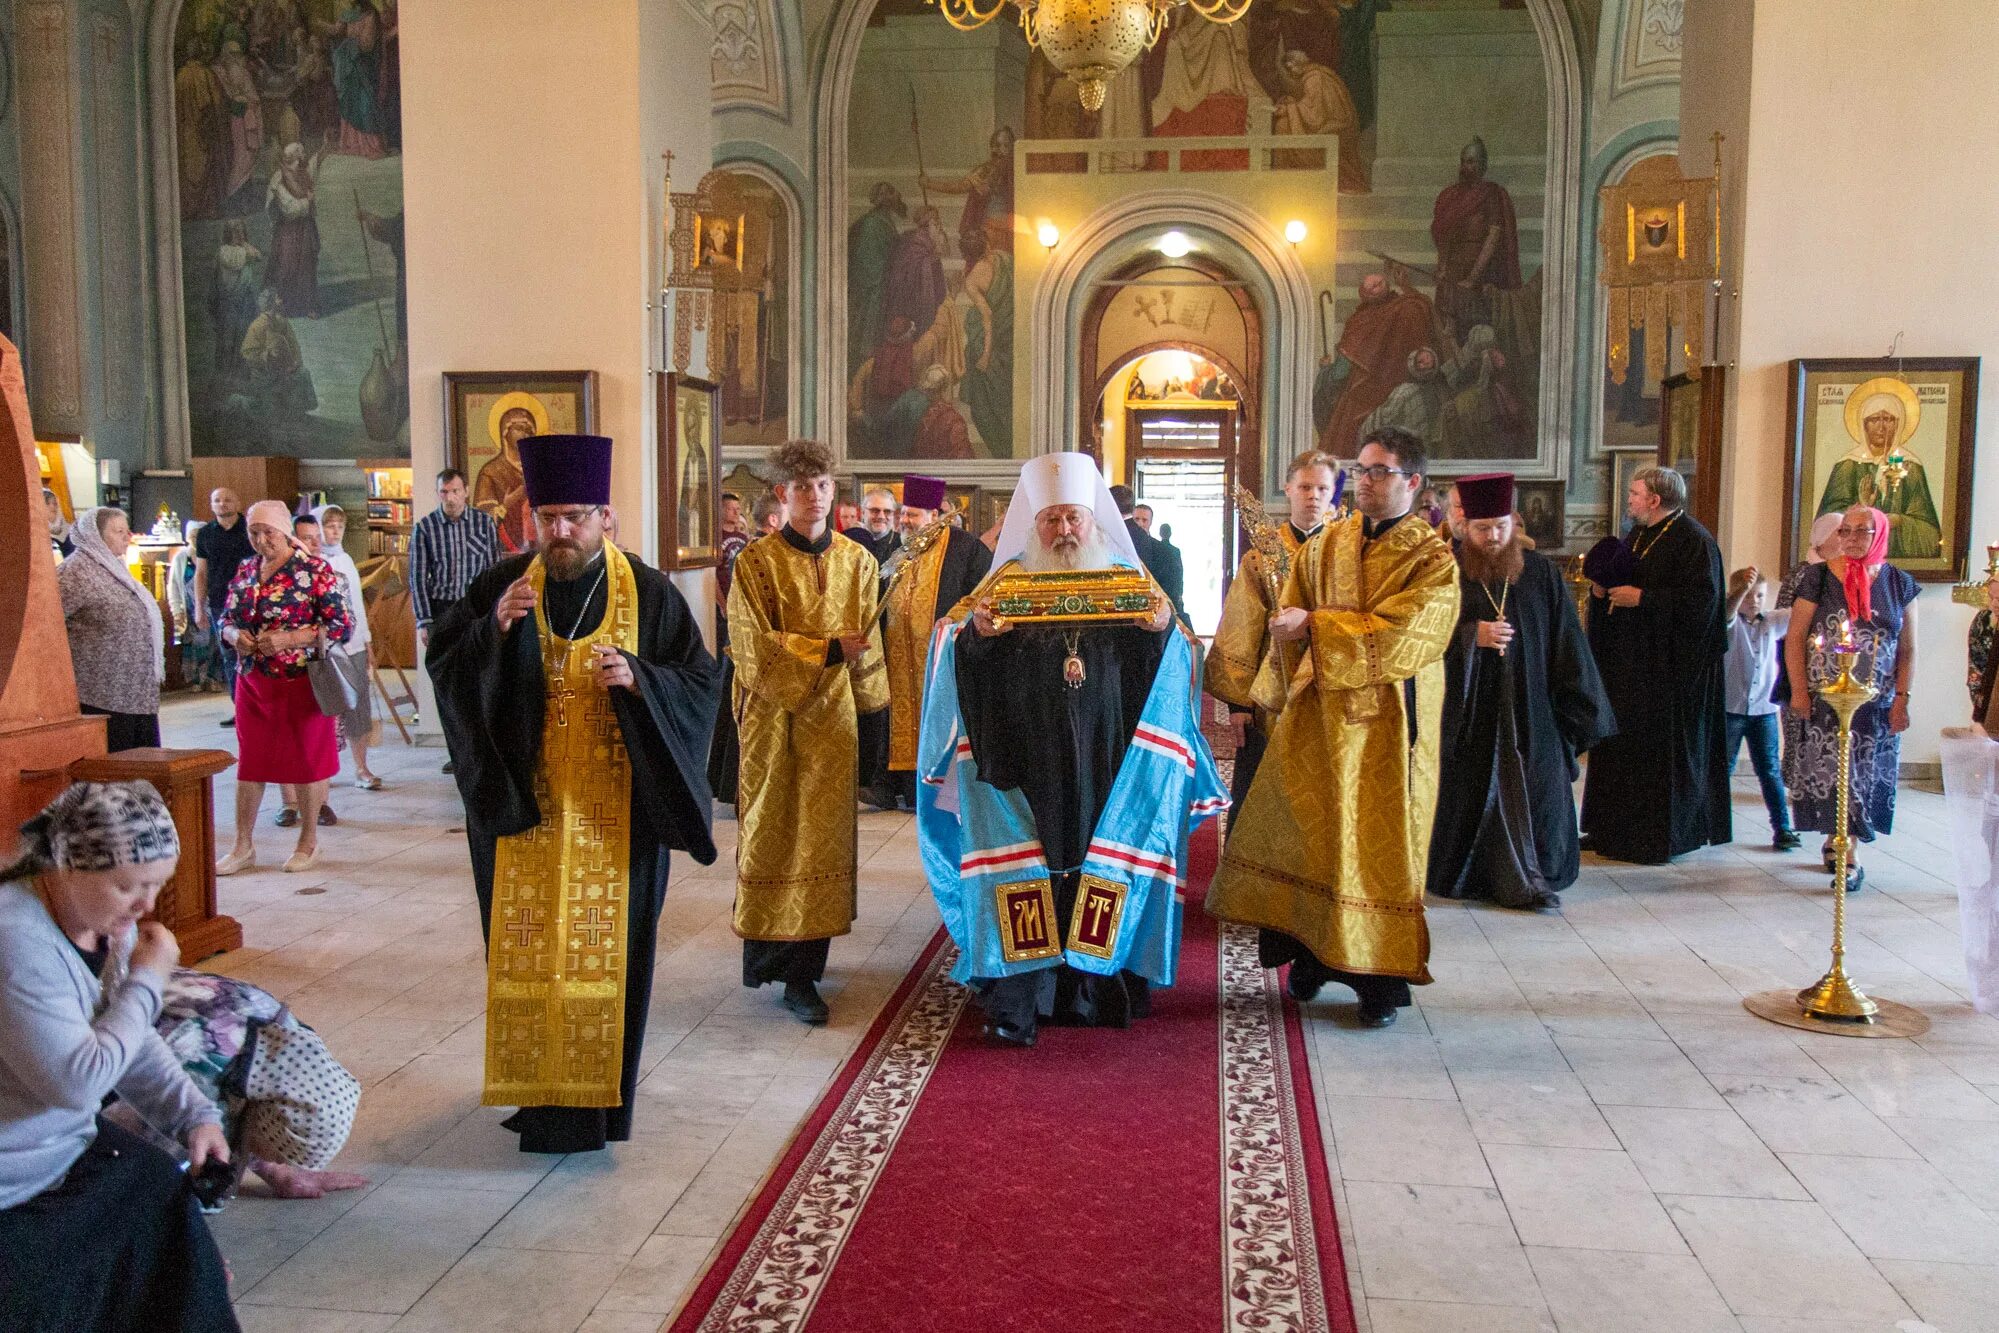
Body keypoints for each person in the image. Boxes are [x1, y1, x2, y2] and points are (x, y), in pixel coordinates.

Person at [427, 434, 719, 1153]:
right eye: (548, 516)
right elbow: (445, 663)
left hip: (616, 814)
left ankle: (596, 1108)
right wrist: (493, 632)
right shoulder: (501, 586)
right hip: (523, 811)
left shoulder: (647, 592)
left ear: (605, 518)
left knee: (607, 957)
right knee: (525, 951)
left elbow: (703, 682)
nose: (561, 531)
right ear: (530, 518)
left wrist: (641, 680)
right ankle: (535, 1095)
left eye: (576, 517)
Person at [920, 452, 1222, 1047]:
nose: (1062, 531)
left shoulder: (1131, 583)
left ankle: (1094, 987)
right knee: (1027, 865)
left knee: (1094, 858)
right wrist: (977, 637)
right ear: (1034, 525)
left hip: (1106, 754)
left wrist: (1162, 629)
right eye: (1051, 519)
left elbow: (1170, 662)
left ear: (1093, 523)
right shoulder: (1004, 586)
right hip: (1022, 754)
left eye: (1073, 519)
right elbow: (963, 662)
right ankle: (1018, 999)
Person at [1207, 427, 1459, 1027]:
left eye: (1379, 472)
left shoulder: (1432, 557)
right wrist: (1261, 691)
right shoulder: (1328, 544)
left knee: (1379, 849)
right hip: (1318, 718)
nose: (1365, 481)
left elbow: (1414, 633)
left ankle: (1377, 984)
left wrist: (1317, 625)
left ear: (1412, 482)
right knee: (1312, 838)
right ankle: (1313, 959)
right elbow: (1286, 612)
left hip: (1390, 730)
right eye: (1362, 469)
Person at [0, 781, 239, 1333]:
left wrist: (193, 1116)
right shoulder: (16, 941)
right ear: (64, 866)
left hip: (58, 1145)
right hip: (14, 1174)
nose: (146, 905)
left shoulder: (106, 925)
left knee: (163, 1198)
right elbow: (80, 1083)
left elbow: (125, 1040)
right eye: (128, 885)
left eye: (157, 886)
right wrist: (150, 981)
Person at [728, 439, 888, 1025]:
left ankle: (805, 970)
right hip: (774, 718)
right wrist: (824, 650)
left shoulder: (859, 563)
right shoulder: (755, 563)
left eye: (824, 486)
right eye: (802, 487)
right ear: (782, 494)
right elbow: (749, 645)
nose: (815, 497)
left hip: (835, 720)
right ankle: (774, 959)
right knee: (776, 829)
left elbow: (869, 646)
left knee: (822, 837)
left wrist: (875, 715)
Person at [1426, 474, 1614, 911]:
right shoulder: (1443, 573)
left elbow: (1567, 641)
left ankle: (1537, 873)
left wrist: (1577, 713)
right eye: (1482, 528)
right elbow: (1422, 639)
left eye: (1500, 526)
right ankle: (1470, 875)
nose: (1492, 537)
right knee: (1470, 795)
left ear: (1514, 523)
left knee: (1537, 792)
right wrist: (1471, 637)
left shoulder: (1541, 573)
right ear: (1463, 527)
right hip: (1469, 714)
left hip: (1533, 711)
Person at [104, 967, 366, 1202]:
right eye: (282, 1155)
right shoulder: (197, 1073)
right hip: (95, 1055)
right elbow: (140, 1172)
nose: (281, 1161)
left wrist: (279, 1172)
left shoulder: (282, 1037)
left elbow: (252, 1112)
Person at [1580, 465, 1732, 865]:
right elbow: (1621, 584)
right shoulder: (1640, 534)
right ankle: (1610, 831)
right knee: (1621, 749)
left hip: (1670, 677)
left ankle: (1656, 838)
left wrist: (1644, 598)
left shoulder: (1694, 541)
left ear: (1654, 500)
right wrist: (1602, 592)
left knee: (1655, 758)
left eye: (1633, 494)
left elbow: (1703, 607)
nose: (1628, 501)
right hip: (1629, 669)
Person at [1781, 505, 1918, 892]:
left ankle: (1849, 851)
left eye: (1863, 531)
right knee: (1832, 775)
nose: (1852, 538)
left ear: (1881, 535)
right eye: (1846, 531)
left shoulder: (1899, 583)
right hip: (1827, 700)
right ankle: (1838, 842)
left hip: (1876, 702)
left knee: (1861, 777)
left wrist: (1902, 699)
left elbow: (1908, 648)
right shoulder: (1818, 577)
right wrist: (1799, 691)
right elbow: (1795, 638)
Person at [216, 501, 353, 877]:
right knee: (251, 762)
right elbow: (225, 617)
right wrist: (233, 635)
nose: (261, 541)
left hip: (302, 681)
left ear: (284, 532)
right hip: (254, 680)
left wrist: (291, 638)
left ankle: (308, 841)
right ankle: (242, 844)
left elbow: (341, 625)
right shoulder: (246, 569)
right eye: (254, 534)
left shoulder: (313, 569)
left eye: (268, 533)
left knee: (308, 761)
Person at [1207, 450, 1338, 812]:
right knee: (1265, 796)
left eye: (1322, 489)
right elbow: (1241, 625)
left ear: (1332, 493)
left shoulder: (1345, 555)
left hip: (1329, 687)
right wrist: (1238, 704)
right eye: (1306, 487)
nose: (1314, 496)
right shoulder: (1260, 558)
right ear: (1288, 489)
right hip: (1270, 696)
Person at [875, 475, 992, 813]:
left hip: (942, 653)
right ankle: (896, 787)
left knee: (939, 716)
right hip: (897, 655)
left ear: (934, 514)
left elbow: (982, 591)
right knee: (896, 717)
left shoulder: (965, 547)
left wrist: (954, 618)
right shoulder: (898, 548)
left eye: (912, 515)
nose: (904, 521)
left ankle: (934, 789)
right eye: (903, 515)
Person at [409, 467, 502, 773]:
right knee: (448, 685)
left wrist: (495, 612)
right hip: (442, 609)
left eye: (455, 491)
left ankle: (482, 750)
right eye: (444, 492)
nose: (449, 497)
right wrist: (424, 620)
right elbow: (417, 577)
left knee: (479, 679)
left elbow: (493, 569)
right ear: (438, 494)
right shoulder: (425, 528)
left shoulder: (484, 523)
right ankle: (457, 752)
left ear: (466, 492)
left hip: (476, 609)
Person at [58, 507, 166, 752]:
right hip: (102, 693)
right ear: (96, 536)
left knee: (143, 769)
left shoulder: (113, 566)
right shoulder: (74, 571)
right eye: (118, 532)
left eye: (126, 531)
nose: (127, 537)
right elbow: (51, 625)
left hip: (135, 691)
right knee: (116, 772)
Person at [1815, 381, 1943, 561]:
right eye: (1874, 419)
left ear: (1898, 424)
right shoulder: (1847, 465)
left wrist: (1897, 520)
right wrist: (1862, 507)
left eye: (1889, 419)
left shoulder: (1910, 466)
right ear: (1864, 424)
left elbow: (1929, 534)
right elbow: (1826, 525)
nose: (1881, 426)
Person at [272, 513, 341, 831]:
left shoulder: (326, 572)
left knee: (321, 736)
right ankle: (289, 804)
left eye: (316, 538)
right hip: (281, 670)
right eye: (305, 538)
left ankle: (321, 802)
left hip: (323, 665)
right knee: (285, 738)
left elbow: (342, 620)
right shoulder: (273, 577)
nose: (312, 544)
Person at [1318, 272, 1436, 458]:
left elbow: (1340, 373)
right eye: (1373, 285)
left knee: (1343, 439)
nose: (1377, 286)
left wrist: (1326, 372)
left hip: (1362, 397)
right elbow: (1424, 305)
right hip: (1396, 387)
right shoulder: (1408, 307)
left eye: (1378, 283)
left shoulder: (1366, 318)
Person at [1723, 567, 1800, 850]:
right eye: (1748, 595)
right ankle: (1711, 821)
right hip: (1731, 708)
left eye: (1760, 595)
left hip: (1764, 711)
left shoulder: (1772, 622)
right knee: (1724, 767)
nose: (1754, 600)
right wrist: (1740, 589)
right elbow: (1727, 614)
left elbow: (1801, 614)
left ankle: (1782, 827)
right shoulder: (1730, 624)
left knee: (1769, 770)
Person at [312, 504, 381, 790]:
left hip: (353, 644)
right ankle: (323, 771)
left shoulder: (346, 559)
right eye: (329, 525)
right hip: (326, 648)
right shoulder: (312, 562)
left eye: (340, 525)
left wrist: (367, 642)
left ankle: (361, 767)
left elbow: (356, 605)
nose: (335, 530)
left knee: (358, 707)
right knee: (327, 711)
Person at [1430, 136, 1521, 337]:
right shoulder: (1450, 196)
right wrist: (1442, 267)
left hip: (1482, 269)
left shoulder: (1491, 194)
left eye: (1471, 161)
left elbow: (1494, 235)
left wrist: (1473, 277)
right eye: (1463, 161)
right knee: (1446, 320)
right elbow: (1445, 235)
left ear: (1482, 165)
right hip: (1454, 264)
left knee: (1474, 326)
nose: (1466, 166)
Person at [193, 487, 255, 724]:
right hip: (220, 603)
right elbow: (201, 572)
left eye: (228, 499)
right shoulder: (206, 534)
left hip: (250, 602)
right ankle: (240, 708)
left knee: (252, 653)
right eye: (217, 500)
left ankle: (256, 706)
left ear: (238, 502)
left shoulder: (249, 530)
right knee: (229, 657)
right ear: (211, 505)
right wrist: (200, 606)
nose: (222, 504)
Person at [1111, 483, 1185, 622]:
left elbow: (1174, 596)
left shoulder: (1110, 541)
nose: (1140, 523)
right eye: (1137, 519)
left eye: (1144, 520)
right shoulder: (1163, 550)